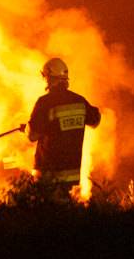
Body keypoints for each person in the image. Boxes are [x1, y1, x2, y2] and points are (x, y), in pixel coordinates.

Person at [26, 58, 101, 188]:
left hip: (48, 174)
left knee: (46, 207)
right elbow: (96, 120)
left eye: (45, 76)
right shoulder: (79, 101)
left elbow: (32, 135)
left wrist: (27, 128)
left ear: (49, 77)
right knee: (65, 207)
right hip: (71, 174)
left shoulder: (45, 102)